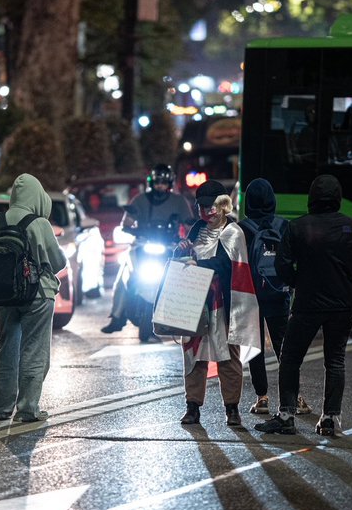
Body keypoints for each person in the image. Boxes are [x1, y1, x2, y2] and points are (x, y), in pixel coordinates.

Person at [256, 174, 352, 437]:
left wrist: (299, 281)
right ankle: (330, 418)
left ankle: (286, 415)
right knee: (335, 360)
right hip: (342, 304)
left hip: (307, 303)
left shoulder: (297, 227)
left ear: (312, 198)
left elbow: (282, 265)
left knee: (290, 358)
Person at [0, 174, 67, 424]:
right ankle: (28, 408)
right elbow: (58, 262)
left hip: (4, 294)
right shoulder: (39, 223)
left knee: (7, 348)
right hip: (37, 296)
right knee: (34, 350)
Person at [179, 180, 260, 428]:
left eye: (212, 206)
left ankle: (232, 409)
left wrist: (199, 265)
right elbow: (186, 260)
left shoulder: (234, 232)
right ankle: (192, 407)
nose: (208, 212)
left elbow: (227, 266)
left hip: (224, 303)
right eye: (203, 207)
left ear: (223, 205)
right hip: (197, 301)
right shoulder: (196, 229)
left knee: (227, 357)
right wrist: (180, 251)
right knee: (193, 355)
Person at [239, 178, 309, 418]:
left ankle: (262, 398)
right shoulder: (284, 226)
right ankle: (295, 398)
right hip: (278, 294)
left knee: (254, 347)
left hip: (250, 296)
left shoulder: (241, 229)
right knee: (284, 348)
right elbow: (293, 259)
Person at [101, 163, 193, 333]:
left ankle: (184, 317)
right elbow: (126, 222)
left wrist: (190, 235)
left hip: (170, 246)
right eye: (157, 182)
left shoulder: (179, 201)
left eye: (164, 183)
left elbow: (189, 225)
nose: (160, 186)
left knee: (187, 274)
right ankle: (117, 316)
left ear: (170, 184)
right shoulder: (140, 200)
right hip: (143, 244)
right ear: (151, 182)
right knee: (123, 275)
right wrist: (130, 227)